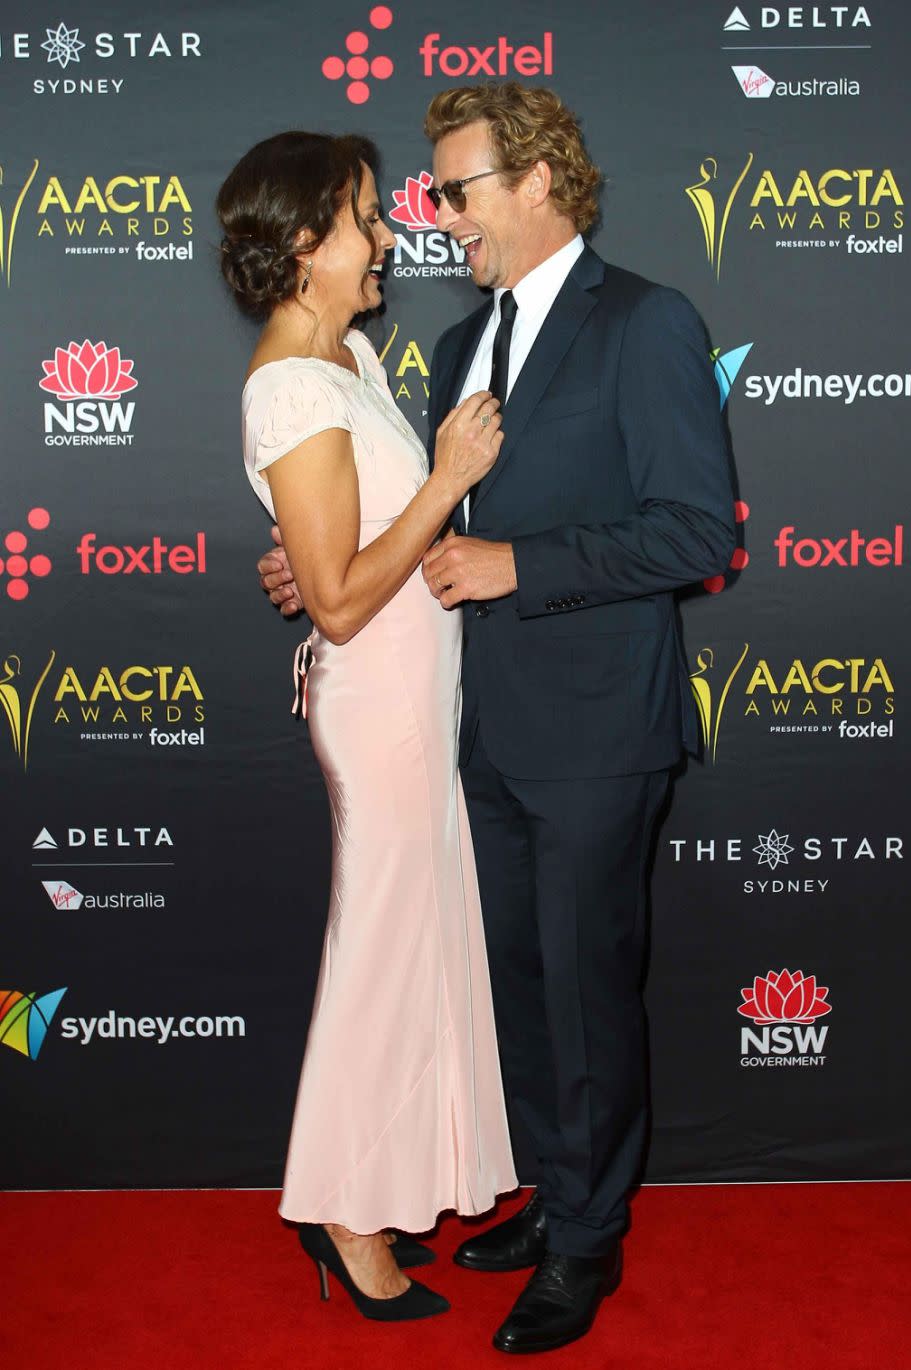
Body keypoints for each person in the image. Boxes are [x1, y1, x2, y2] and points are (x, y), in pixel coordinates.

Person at [259, 86, 736, 1354]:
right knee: (520, 991)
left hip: (594, 733)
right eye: (422, 196)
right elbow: (429, 527)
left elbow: (696, 529)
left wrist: (523, 564)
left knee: (585, 996)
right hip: (480, 729)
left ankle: (588, 1240)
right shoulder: (463, 347)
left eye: (454, 191)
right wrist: (323, 557)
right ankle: (553, 1196)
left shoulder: (646, 321)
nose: (435, 218)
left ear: (535, 183)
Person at [218, 130, 517, 1323]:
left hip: (416, 700)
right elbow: (340, 601)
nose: (391, 233)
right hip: (379, 706)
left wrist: (313, 551)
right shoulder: (290, 384)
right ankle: (341, 1213)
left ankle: (383, 1189)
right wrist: (445, 483)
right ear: (305, 246)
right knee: (377, 964)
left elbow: (331, 554)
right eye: (364, 217)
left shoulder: (345, 355)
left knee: (410, 955)